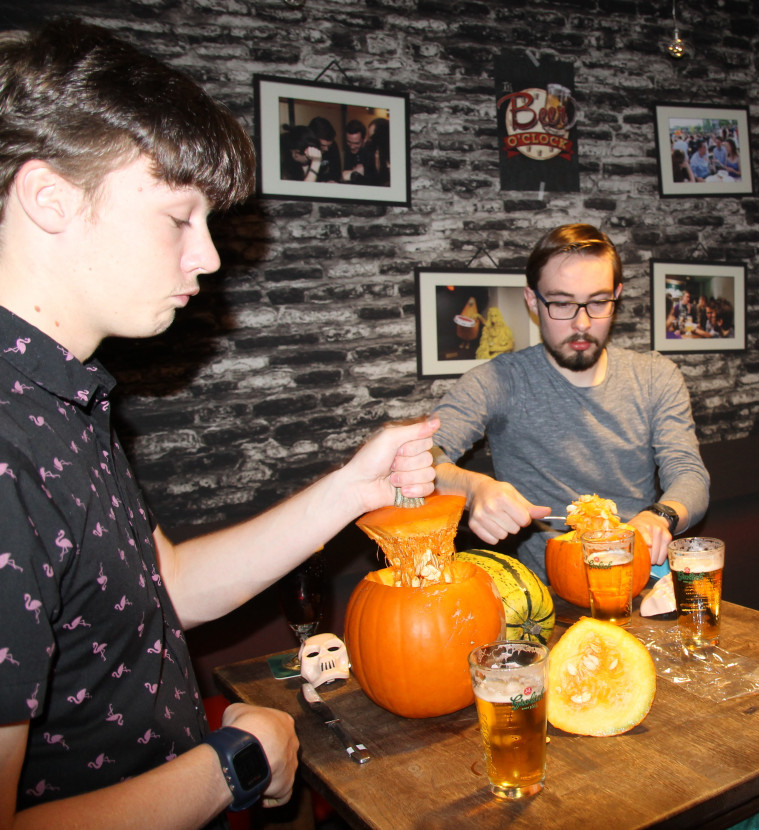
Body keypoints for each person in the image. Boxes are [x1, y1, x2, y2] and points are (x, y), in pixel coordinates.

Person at [0, 18, 439, 827]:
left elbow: (165, 589)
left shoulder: (62, 397)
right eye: (178, 217)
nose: (206, 256)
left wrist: (353, 488)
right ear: (49, 198)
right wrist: (232, 765)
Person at [430, 223, 710, 581]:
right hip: (546, 596)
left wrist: (659, 515)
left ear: (617, 296)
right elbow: (422, 459)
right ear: (533, 300)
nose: (582, 324)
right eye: (561, 304)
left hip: (640, 580)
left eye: (598, 302)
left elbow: (690, 476)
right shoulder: (498, 381)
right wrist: (472, 488)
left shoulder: (656, 375)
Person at [307, 115, 343, 184]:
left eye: (328, 146)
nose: (326, 149)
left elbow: (336, 172)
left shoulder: (333, 146)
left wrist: (332, 180)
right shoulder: (304, 148)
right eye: (323, 145)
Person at [341, 118, 368, 183]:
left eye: (356, 143)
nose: (352, 147)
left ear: (364, 139)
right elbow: (345, 175)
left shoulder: (371, 152)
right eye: (349, 142)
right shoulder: (348, 150)